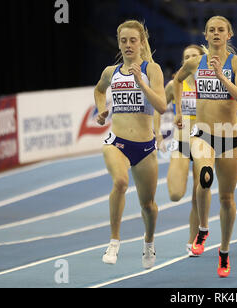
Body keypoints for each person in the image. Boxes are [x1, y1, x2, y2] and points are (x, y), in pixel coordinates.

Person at [173, 16, 237, 278]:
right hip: (202, 133)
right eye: (211, 30)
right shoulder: (195, 62)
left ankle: (224, 252)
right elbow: (176, 79)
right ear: (205, 36)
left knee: (227, 198)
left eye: (221, 30)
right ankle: (203, 229)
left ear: (230, 35)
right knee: (205, 178)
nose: (216, 33)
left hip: (228, 136)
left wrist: (221, 77)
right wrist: (178, 110)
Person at [94, 20, 166, 269]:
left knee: (148, 205)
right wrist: (102, 110)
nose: (127, 45)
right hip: (118, 142)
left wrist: (141, 82)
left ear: (141, 42)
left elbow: (162, 106)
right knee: (121, 182)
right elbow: (99, 90)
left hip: (145, 148)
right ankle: (114, 241)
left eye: (133, 40)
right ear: (119, 43)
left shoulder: (152, 69)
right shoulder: (110, 72)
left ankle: (148, 242)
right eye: (123, 40)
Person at [154, 44, 205, 257]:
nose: (190, 59)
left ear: (201, 59)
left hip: (205, 141)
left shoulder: (210, 82)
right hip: (182, 141)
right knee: (175, 194)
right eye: (187, 56)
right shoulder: (175, 85)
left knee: (198, 192)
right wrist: (157, 134)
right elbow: (157, 108)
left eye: (194, 55)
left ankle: (194, 240)